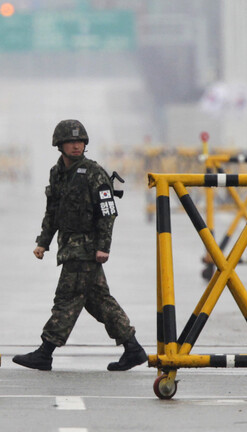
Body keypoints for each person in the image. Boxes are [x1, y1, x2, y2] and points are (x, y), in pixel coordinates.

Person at [13, 119, 147, 372]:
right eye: (71, 141)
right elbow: (52, 211)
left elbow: (108, 211)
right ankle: (133, 349)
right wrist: (43, 242)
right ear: (59, 145)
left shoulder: (94, 173)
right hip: (69, 246)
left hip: (85, 248)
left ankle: (45, 352)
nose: (76, 146)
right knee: (99, 301)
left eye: (80, 141)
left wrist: (103, 246)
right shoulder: (57, 173)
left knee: (67, 297)